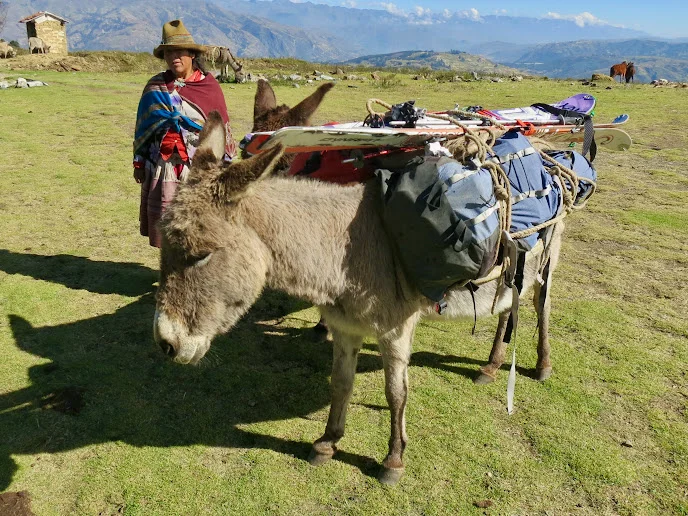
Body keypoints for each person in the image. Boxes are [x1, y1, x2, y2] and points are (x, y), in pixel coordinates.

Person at [133, 19, 237, 247]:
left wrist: (226, 164)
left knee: (199, 223)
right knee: (168, 222)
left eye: (179, 52)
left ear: (191, 54)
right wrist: (139, 161)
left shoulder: (209, 86)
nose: (174, 57)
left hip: (199, 167)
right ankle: (169, 269)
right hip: (166, 166)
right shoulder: (156, 86)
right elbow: (143, 127)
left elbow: (222, 128)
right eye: (169, 53)